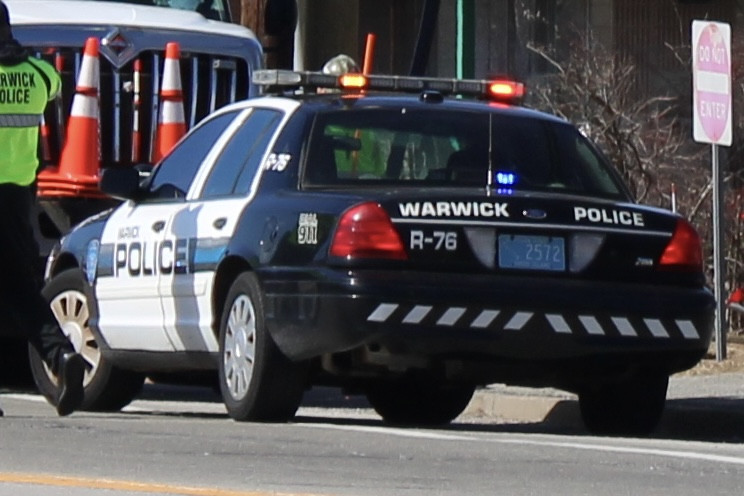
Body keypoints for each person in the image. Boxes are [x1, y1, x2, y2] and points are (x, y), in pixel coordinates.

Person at [0, 1, 84, 417]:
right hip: (17, 195)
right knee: (19, 287)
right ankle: (60, 355)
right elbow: (55, 88)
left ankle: (59, 357)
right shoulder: (38, 74)